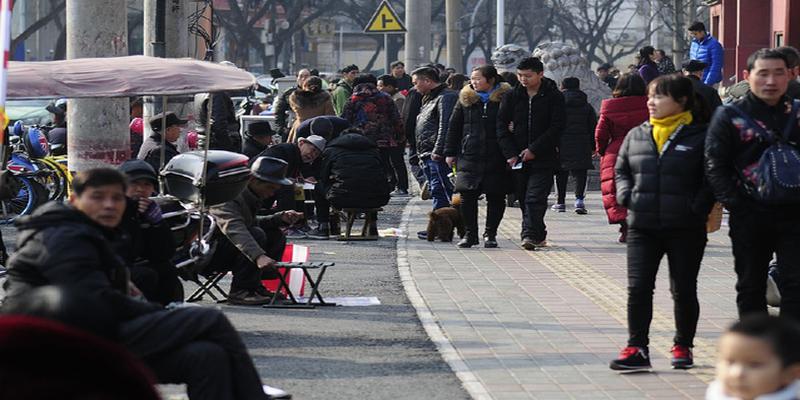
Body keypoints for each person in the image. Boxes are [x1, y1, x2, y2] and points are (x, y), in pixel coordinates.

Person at [1, 168, 287, 400]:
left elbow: (162, 257)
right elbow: (91, 301)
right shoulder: (62, 235)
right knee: (207, 318)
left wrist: (154, 224)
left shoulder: (104, 229)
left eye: (116, 197)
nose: (109, 204)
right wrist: (159, 315)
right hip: (62, 337)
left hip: (94, 327)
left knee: (206, 356)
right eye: (98, 197)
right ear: (76, 201)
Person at [610, 75, 715, 372]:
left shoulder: (701, 135)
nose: (651, 102)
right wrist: (626, 195)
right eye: (650, 97)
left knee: (682, 289)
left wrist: (696, 208)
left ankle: (683, 345)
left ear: (681, 101)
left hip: (685, 227)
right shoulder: (638, 134)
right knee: (638, 288)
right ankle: (637, 347)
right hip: (642, 226)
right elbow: (622, 169)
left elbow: (711, 178)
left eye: (659, 97)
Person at [705, 48, 800, 320]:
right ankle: (757, 351)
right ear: (748, 76)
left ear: (790, 75)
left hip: (795, 214)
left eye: (778, 73)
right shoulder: (729, 116)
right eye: (763, 74)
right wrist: (738, 204)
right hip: (749, 215)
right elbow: (714, 165)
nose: (771, 81)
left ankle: (789, 353)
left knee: (795, 285)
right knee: (751, 286)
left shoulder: (797, 113)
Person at [208, 157, 304, 305]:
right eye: (270, 188)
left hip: (226, 246)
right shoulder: (228, 194)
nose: (272, 194)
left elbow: (250, 222)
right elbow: (234, 227)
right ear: (253, 179)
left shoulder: (249, 195)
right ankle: (240, 291)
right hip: (207, 252)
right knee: (256, 233)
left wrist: (278, 218)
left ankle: (254, 285)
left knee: (274, 233)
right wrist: (258, 256)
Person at [498, 57, 566, 250]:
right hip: (517, 158)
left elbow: (557, 126)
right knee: (524, 198)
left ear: (540, 74)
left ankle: (529, 235)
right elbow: (501, 126)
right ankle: (538, 233)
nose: (523, 79)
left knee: (535, 198)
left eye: (528, 76)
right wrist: (510, 153)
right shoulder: (511, 96)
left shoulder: (554, 96)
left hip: (544, 156)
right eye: (520, 75)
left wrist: (534, 149)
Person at [444, 65, 512, 248]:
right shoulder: (466, 99)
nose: (473, 82)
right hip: (470, 154)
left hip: (497, 154)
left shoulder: (506, 99)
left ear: (490, 80)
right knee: (467, 196)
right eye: (472, 79)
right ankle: (470, 234)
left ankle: (490, 234)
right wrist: (450, 152)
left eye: (478, 78)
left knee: (496, 196)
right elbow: (454, 127)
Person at [116, 160, 182, 306]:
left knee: (167, 270)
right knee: (145, 276)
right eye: (134, 183)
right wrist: (130, 213)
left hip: (134, 264)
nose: (140, 189)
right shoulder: (112, 209)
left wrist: (157, 224)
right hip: (107, 268)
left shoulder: (147, 210)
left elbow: (165, 253)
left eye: (147, 184)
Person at [595, 74, 649, 243]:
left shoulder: (610, 107)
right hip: (645, 148)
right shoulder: (650, 104)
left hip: (616, 150)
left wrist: (602, 151)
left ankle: (625, 228)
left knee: (618, 190)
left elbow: (600, 133)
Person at [309, 133, 390, 239]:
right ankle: (372, 226)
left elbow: (324, 176)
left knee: (319, 186)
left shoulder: (332, 151)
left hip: (343, 198)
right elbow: (385, 174)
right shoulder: (374, 152)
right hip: (376, 199)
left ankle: (323, 227)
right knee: (372, 184)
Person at [706, 315, 800, 400]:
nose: (737, 373)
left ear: (791, 374)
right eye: (730, 362)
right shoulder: (717, 394)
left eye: (754, 364)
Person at [342, 74, 407, 197]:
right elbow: (396, 119)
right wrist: (400, 137)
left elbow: (345, 120)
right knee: (384, 165)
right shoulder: (386, 98)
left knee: (363, 166)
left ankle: (365, 190)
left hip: (360, 140)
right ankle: (383, 189)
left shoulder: (353, 100)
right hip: (384, 139)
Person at [412, 65, 458, 231]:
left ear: (427, 81)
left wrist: (438, 151)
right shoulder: (430, 98)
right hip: (427, 153)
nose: (415, 87)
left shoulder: (446, 97)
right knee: (436, 190)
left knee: (442, 191)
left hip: (436, 154)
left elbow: (445, 126)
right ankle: (438, 226)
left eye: (416, 83)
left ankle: (443, 227)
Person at [552, 77, 597, 215]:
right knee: (581, 172)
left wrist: (552, 143)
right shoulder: (587, 106)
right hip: (582, 142)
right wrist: (593, 146)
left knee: (560, 172)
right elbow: (593, 127)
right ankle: (579, 201)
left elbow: (553, 125)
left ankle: (560, 202)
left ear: (562, 87)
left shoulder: (557, 104)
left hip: (561, 142)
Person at [287, 76, 335, 143]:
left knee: (296, 149)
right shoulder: (325, 99)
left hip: (300, 126)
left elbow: (293, 107)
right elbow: (330, 116)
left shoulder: (295, 98)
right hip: (318, 129)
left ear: (304, 85)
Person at [274, 68, 310, 140]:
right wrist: (281, 129)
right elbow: (279, 111)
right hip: (292, 128)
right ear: (297, 78)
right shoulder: (290, 93)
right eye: (301, 76)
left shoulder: (318, 94)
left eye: (306, 76)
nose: (303, 79)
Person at [688, 21, 725, 87]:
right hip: (697, 81)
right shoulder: (694, 43)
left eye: (695, 34)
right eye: (692, 34)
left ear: (702, 32)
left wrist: (707, 83)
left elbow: (716, 65)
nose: (694, 36)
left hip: (710, 82)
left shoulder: (714, 44)